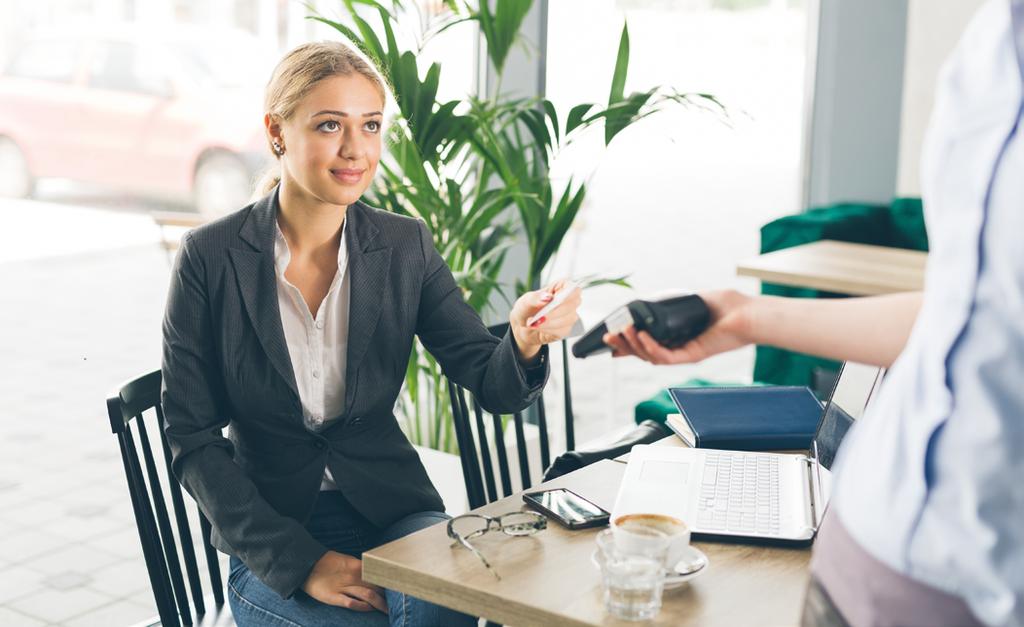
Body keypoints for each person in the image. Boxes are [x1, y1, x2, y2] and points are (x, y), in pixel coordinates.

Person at [605, 1, 1024, 625]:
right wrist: (743, 316)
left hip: (983, 590)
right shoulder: (992, 39)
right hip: (859, 550)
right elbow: (967, 314)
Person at [160, 41, 581, 627]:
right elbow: (190, 435)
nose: (356, 149)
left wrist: (524, 338)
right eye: (330, 125)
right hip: (273, 534)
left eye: (371, 125)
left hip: (395, 511)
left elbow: (492, 383)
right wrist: (302, 562)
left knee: (448, 606)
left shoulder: (404, 247)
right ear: (277, 132)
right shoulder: (211, 257)